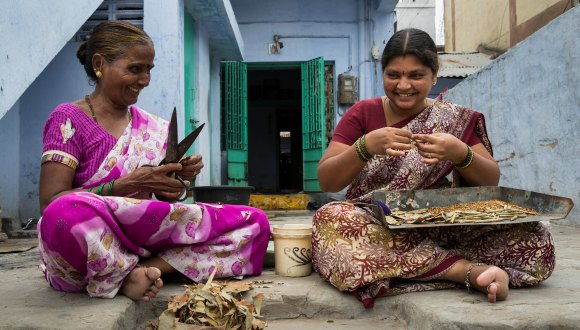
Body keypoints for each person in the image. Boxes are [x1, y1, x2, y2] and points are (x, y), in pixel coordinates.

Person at [312, 28, 554, 308]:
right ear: (383, 74)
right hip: (374, 224)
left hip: (437, 226)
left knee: (537, 238)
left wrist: (459, 153)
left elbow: (490, 182)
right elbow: (327, 181)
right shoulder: (363, 114)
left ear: (434, 75)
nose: (403, 86)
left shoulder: (453, 118)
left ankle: (408, 268)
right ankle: (465, 271)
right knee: (331, 220)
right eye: (394, 75)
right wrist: (364, 147)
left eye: (415, 75)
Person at [38, 20, 270, 302]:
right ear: (100, 63)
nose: (145, 80)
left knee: (253, 221)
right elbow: (50, 201)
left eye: (148, 70)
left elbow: (165, 202)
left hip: (145, 235)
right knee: (61, 213)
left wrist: (179, 182)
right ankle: (125, 273)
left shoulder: (154, 127)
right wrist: (123, 186)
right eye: (135, 69)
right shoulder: (69, 119)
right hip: (93, 237)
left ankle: (142, 270)